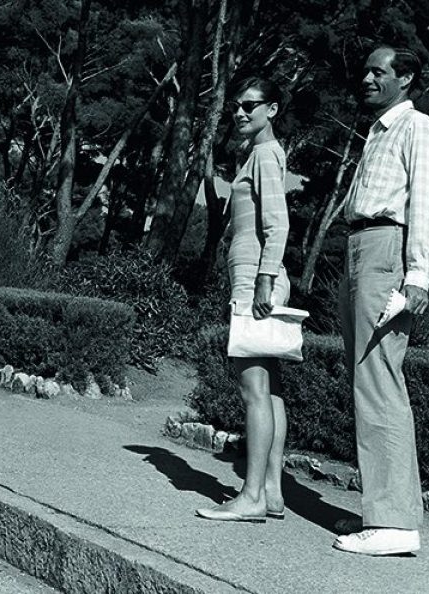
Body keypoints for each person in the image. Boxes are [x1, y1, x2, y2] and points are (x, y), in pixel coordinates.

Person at [333, 46, 429, 556]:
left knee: (379, 378)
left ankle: (395, 523)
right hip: (362, 246)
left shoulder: (415, 125)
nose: (367, 77)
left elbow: (424, 199)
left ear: (407, 77)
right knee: (367, 376)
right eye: (366, 69)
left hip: (387, 250)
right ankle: (385, 515)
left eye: (379, 71)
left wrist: (418, 275)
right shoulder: (378, 131)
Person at [196, 77, 290, 523]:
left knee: (254, 390)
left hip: (255, 281)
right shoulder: (257, 154)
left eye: (250, 104)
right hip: (254, 279)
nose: (239, 111)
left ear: (271, 109)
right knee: (267, 390)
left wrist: (263, 282)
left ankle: (252, 497)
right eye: (237, 105)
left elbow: (279, 225)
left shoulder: (267, 156)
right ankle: (270, 492)